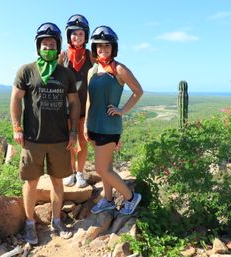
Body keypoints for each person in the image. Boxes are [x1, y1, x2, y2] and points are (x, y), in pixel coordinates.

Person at [10, 22, 80, 244]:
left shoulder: (65, 74)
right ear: (38, 46)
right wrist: (16, 127)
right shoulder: (27, 70)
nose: (47, 47)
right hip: (33, 140)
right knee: (31, 182)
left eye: (51, 43)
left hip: (60, 139)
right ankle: (30, 223)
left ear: (58, 45)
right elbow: (15, 99)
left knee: (58, 182)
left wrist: (74, 132)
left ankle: (56, 221)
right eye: (44, 43)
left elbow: (74, 103)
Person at [85, 26, 143, 215]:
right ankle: (108, 200)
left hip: (109, 126)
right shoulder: (92, 71)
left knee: (101, 169)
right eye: (99, 46)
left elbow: (138, 91)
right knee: (106, 167)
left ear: (113, 48)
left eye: (107, 46)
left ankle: (131, 197)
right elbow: (88, 99)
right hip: (94, 125)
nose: (103, 49)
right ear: (95, 48)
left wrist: (122, 110)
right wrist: (86, 123)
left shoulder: (119, 69)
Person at [59, 14, 95, 188]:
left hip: (84, 106)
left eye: (81, 34)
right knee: (68, 141)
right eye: (74, 33)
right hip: (66, 107)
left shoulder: (90, 55)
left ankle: (79, 172)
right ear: (68, 35)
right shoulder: (63, 55)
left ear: (86, 36)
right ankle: (69, 172)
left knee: (82, 139)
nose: (77, 37)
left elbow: (102, 69)